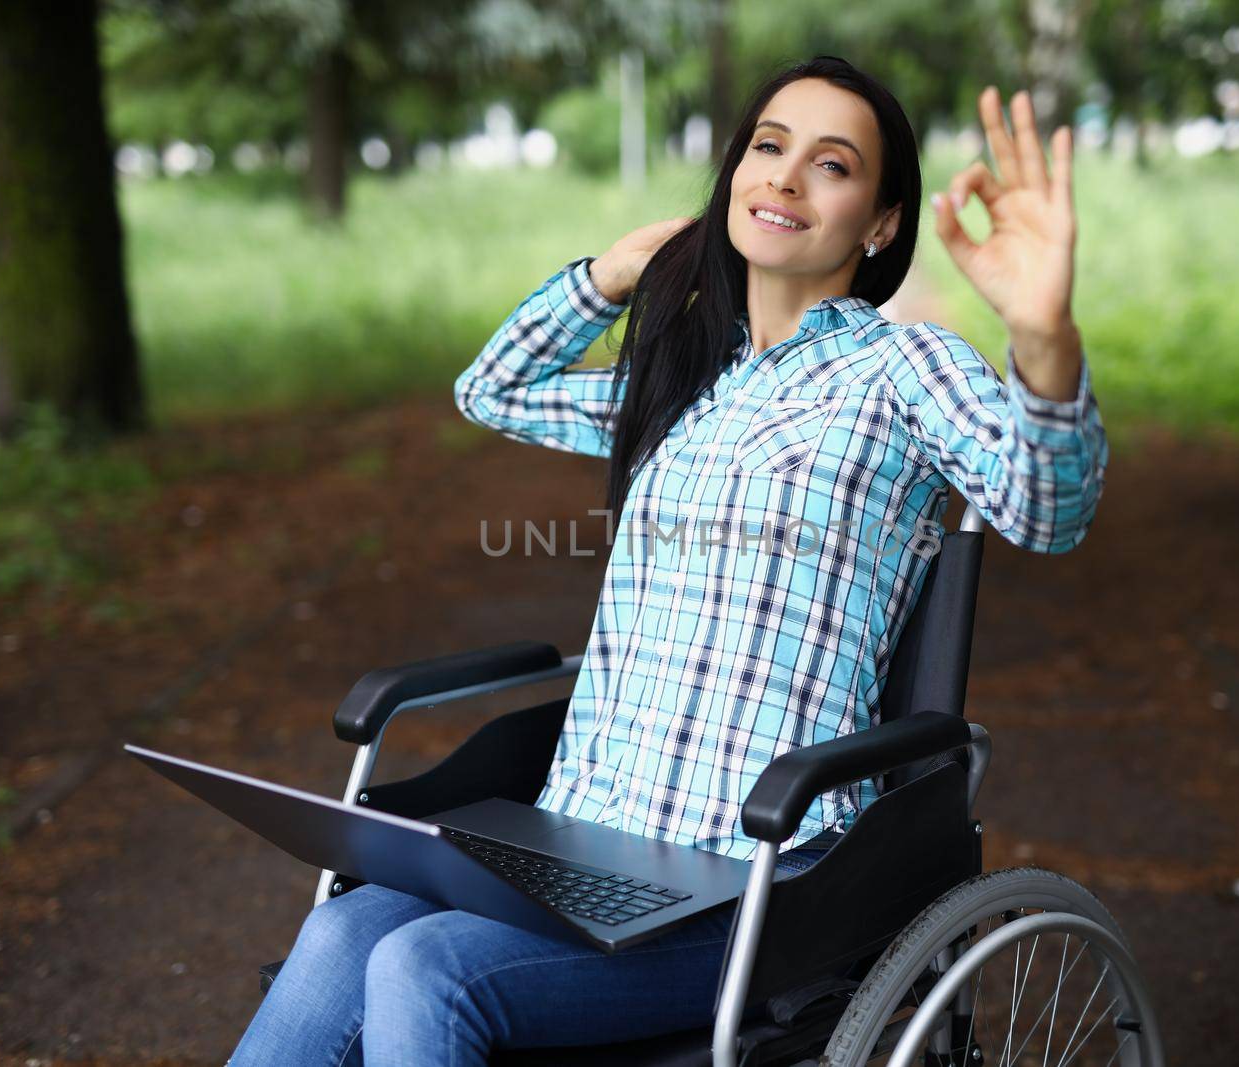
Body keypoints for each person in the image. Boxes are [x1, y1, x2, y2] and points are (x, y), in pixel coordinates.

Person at [230, 54, 1105, 1067]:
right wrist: (611, 274)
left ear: (880, 223)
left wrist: (1042, 339)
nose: (782, 177)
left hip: (757, 875)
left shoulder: (899, 370)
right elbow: (493, 388)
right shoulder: (685, 378)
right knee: (345, 929)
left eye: (831, 164)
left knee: (422, 969)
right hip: (584, 843)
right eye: (768, 148)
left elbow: (1044, 508)